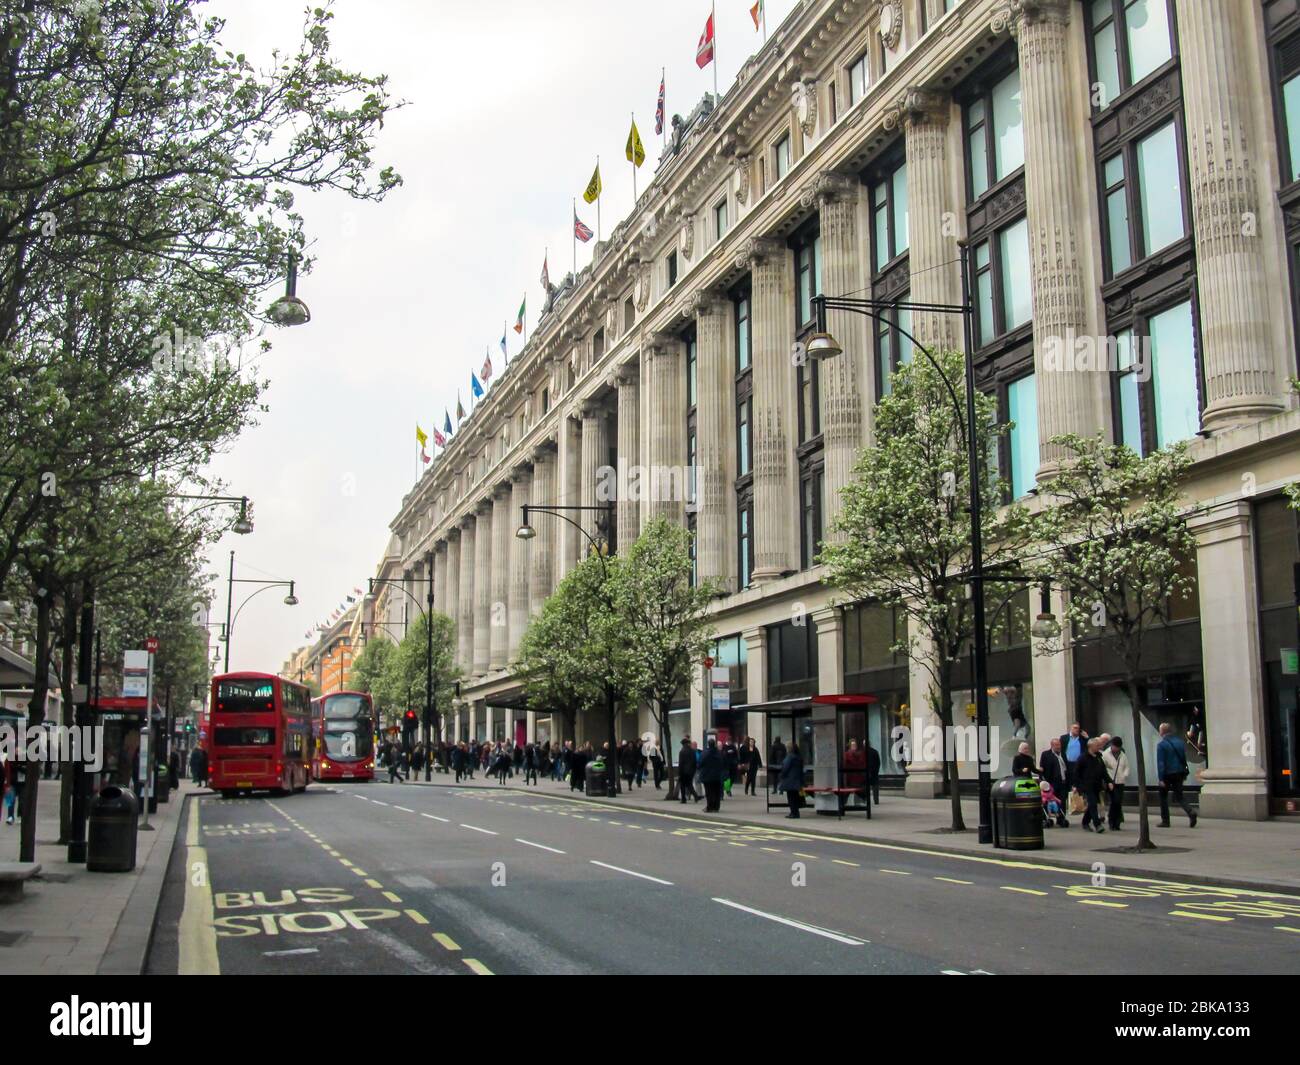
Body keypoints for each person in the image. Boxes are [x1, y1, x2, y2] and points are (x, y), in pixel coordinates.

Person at [1156, 722, 1198, 828]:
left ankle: (1165, 820)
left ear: (1162, 732)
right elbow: (1183, 758)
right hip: (1179, 772)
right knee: (1179, 796)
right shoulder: (1179, 742)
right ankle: (1190, 811)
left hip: (1167, 774)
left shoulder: (1161, 745)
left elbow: (1161, 763)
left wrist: (1161, 778)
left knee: (1163, 797)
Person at [1075, 738, 1109, 832]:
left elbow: (1103, 771)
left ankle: (1085, 822)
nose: (1099, 747)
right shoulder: (1083, 758)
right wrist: (1078, 786)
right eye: (1097, 745)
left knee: (1092, 805)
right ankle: (1097, 825)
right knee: (1093, 804)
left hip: (1096, 785)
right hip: (1087, 786)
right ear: (1090, 746)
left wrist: (1109, 781)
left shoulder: (1098, 757)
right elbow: (1076, 773)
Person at [1102, 736, 1130, 830]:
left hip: (1120, 781)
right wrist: (1107, 780)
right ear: (1112, 745)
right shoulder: (1105, 754)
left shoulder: (1123, 755)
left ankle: (1117, 823)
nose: (1116, 749)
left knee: (1118, 803)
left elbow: (1126, 766)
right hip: (1110, 782)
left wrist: (1124, 775)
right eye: (1115, 746)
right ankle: (1111, 821)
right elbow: (1103, 768)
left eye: (1118, 747)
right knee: (1114, 801)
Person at [1039, 737, 1068, 815]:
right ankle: (1049, 816)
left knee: (1062, 800)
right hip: (1052, 782)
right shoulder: (1046, 754)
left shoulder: (1063, 754)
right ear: (1052, 745)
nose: (1058, 747)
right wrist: (1042, 781)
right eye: (1056, 745)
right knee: (1050, 801)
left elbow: (1067, 767)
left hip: (1063, 781)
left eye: (1059, 745)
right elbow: (1042, 768)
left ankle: (1062, 817)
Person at [778, 741, 805, 819]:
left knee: (791, 797)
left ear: (789, 749)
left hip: (790, 780)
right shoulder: (798, 757)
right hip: (797, 779)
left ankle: (793, 813)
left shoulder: (790, 757)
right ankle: (796, 812)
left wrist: (781, 775)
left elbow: (785, 768)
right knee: (795, 796)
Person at [1059, 723, 1089, 792]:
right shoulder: (1064, 738)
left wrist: (1087, 737)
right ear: (1071, 728)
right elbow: (1061, 750)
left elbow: (1090, 746)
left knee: (1078, 782)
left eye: (1078, 728)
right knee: (1068, 783)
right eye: (1075, 728)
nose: (1077, 730)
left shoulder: (1082, 739)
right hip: (1068, 764)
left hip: (1078, 764)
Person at [698, 740, 725, 812]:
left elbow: (700, 763)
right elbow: (722, 763)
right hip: (717, 776)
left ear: (708, 745)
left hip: (707, 776)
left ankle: (709, 807)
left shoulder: (705, 753)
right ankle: (716, 807)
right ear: (715, 744)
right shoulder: (719, 753)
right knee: (717, 792)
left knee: (709, 792)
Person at [677, 737, 698, 803]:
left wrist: (679, 772)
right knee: (689, 784)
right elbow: (694, 762)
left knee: (683, 785)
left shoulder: (682, 751)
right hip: (691, 771)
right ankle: (696, 796)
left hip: (683, 771)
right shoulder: (692, 751)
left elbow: (681, 763)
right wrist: (693, 770)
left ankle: (683, 799)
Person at [865, 739, 881, 806]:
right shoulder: (874, 751)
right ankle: (876, 800)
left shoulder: (863, 752)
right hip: (874, 771)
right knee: (875, 787)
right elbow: (878, 762)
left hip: (866, 771)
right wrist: (876, 770)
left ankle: (864, 800)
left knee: (865, 786)